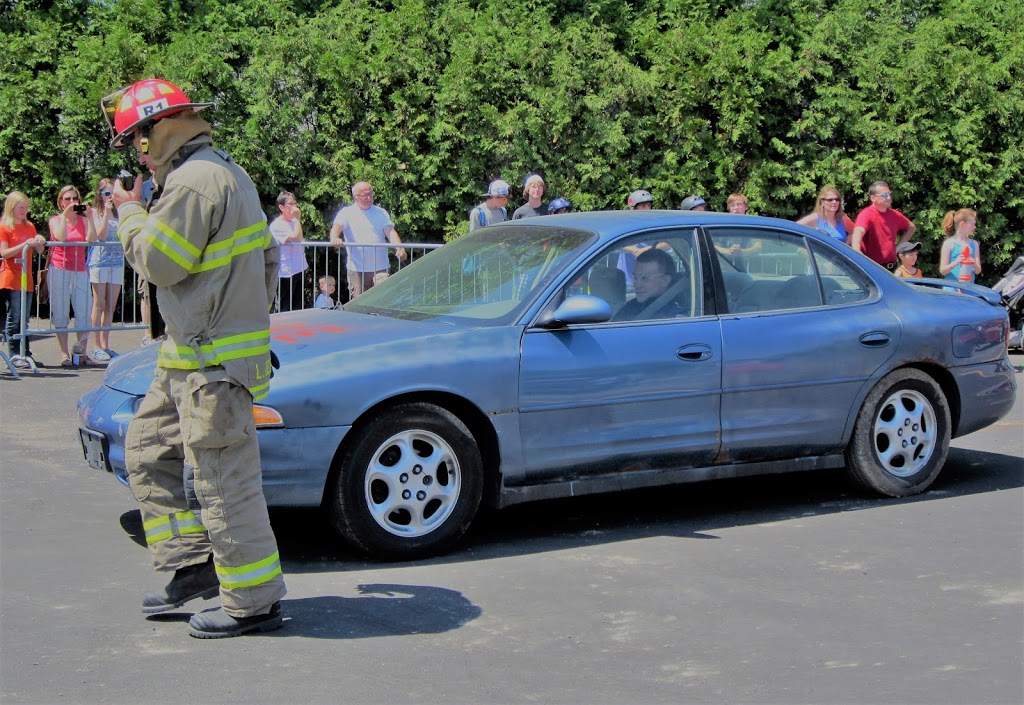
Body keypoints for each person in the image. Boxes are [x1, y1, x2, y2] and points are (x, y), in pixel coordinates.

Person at [104, 77, 285, 638]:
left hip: (210, 363)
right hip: (189, 353)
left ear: (160, 129)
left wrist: (130, 212)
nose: (137, 151)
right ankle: (191, 566)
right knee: (148, 450)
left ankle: (252, 603)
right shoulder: (219, 174)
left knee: (223, 482)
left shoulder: (195, 182)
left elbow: (160, 262)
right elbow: (269, 260)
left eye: (137, 138)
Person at [329, 181, 407, 301]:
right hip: (357, 269)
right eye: (365, 195)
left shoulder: (381, 212)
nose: (369, 198)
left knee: (383, 300)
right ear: (355, 197)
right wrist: (334, 238)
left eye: (371, 194)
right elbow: (336, 228)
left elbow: (390, 231)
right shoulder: (346, 213)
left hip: (381, 268)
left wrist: (399, 248)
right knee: (360, 304)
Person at [48, 185, 98, 367]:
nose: (72, 202)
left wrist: (90, 217)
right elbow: (60, 237)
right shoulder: (55, 220)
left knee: (84, 311)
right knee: (61, 312)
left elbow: (92, 240)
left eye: (74, 199)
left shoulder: (83, 221)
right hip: (59, 269)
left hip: (80, 270)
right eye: (67, 199)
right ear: (61, 203)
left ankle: (82, 353)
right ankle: (64, 353)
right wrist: (65, 216)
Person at [0, 191, 46, 368]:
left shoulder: (29, 226)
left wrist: (39, 240)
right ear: (12, 207)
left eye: (26, 208)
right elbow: (4, 253)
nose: (24, 211)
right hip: (11, 276)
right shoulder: (4, 226)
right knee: (15, 317)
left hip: (26, 277)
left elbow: (40, 250)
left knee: (24, 318)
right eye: (21, 207)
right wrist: (25, 244)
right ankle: (14, 354)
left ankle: (25, 353)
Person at [88, 178, 125, 362]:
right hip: (100, 261)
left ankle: (105, 344)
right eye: (106, 193)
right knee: (99, 304)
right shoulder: (96, 212)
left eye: (112, 193)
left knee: (110, 305)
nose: (110, 197)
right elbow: (101, 236)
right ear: (100, 195)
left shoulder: (120, 213)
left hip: (116, 262)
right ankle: (95, 346)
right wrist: (107, 213)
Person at [850, 181, 916, 269]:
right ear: (873, 198)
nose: (889, 198)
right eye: (884, 195)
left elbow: (911, 227)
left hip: (891, 267)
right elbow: (859, 231)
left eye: (890, 194)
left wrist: (899, 246)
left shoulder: (895, 215)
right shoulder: (866, 214)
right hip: (872, 268)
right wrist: (857, 251)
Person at [612, 249, 688, 321]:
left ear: (665, 280)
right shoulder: (631, 307)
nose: (637, 284)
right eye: (635, 277)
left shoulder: (674, 316)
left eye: (644, 277)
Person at [270, 191, 307, 311]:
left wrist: (295, 221)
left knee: (297, 305)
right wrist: (297, 220)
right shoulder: (276, 225)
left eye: (295, 203)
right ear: (281, 207)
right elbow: (296, 237)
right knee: (284, 306)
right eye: (290, 204)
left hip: (299, 268)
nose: (295, 207)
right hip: (285, 272)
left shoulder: (294, 223)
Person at [938, 208, 982, 284]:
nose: (975, 227)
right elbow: (943, 271)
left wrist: (974, 263)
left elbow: (978, 271)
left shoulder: (974, 244)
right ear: (962, 224)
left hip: (969, 289)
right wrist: (955, 262)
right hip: (952, 289)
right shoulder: (949, 243)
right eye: (972, 224)